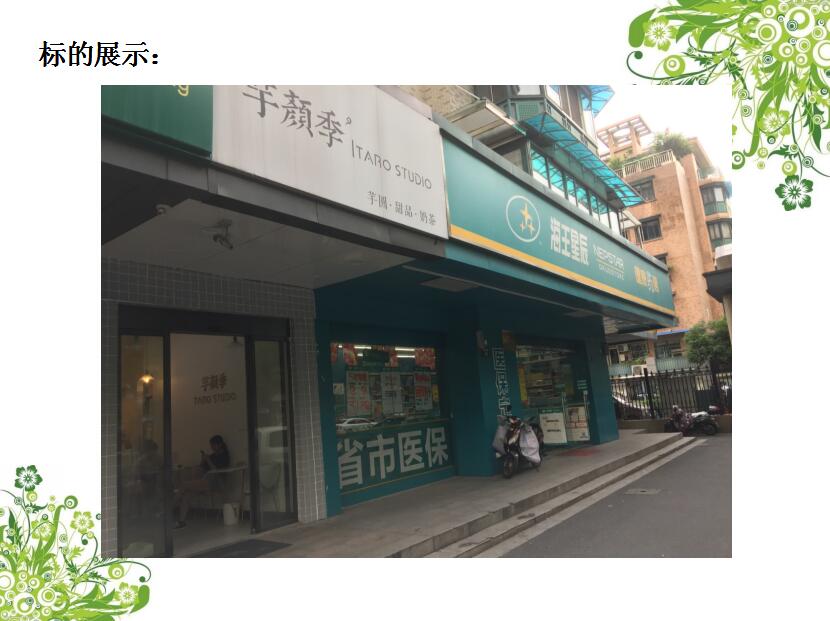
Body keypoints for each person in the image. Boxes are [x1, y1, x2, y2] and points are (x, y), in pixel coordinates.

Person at [173, 435, 231, 528]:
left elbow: (215, 471)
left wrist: (208, 459)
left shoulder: (224, 456)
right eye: (211, 445)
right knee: (187, 495)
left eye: (213, 445)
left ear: (219, 444)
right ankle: (181, 521)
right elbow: (202, 467)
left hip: (213, 482)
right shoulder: (213, 456)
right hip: (204, 481)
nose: (212, 447)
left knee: (184, 485)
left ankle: (170, 506)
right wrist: (203, 460)